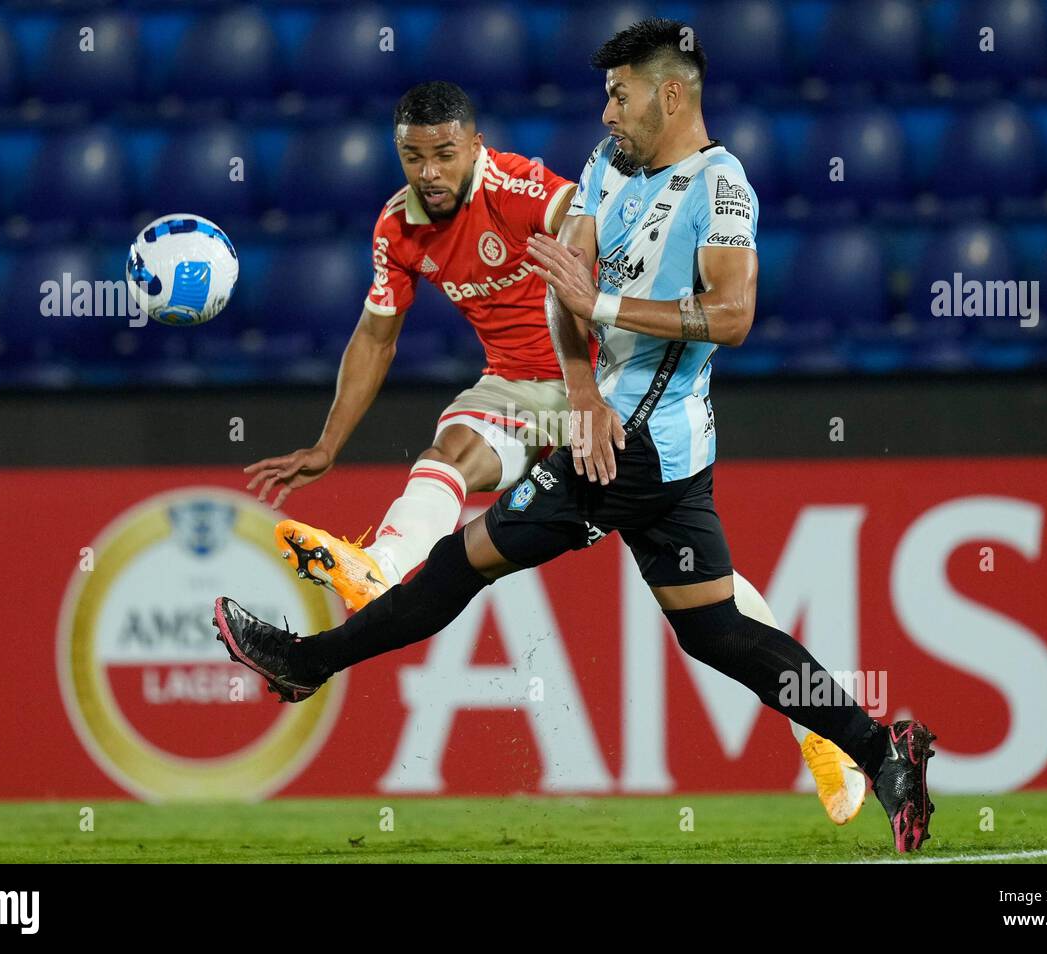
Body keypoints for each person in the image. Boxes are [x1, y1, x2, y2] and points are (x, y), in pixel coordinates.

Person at [234, 73, 882, 831]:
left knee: (707, 601)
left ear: (475, 145)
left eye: (444, 154)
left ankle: (824, 734)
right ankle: (380, 565)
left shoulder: (521, 187)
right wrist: (328, 443)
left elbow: (594, 218)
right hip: (516, 392)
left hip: (601, 395)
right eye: (413, 158)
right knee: (457, 448)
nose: (430, 173)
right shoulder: (395, 228)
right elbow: (377, 335)